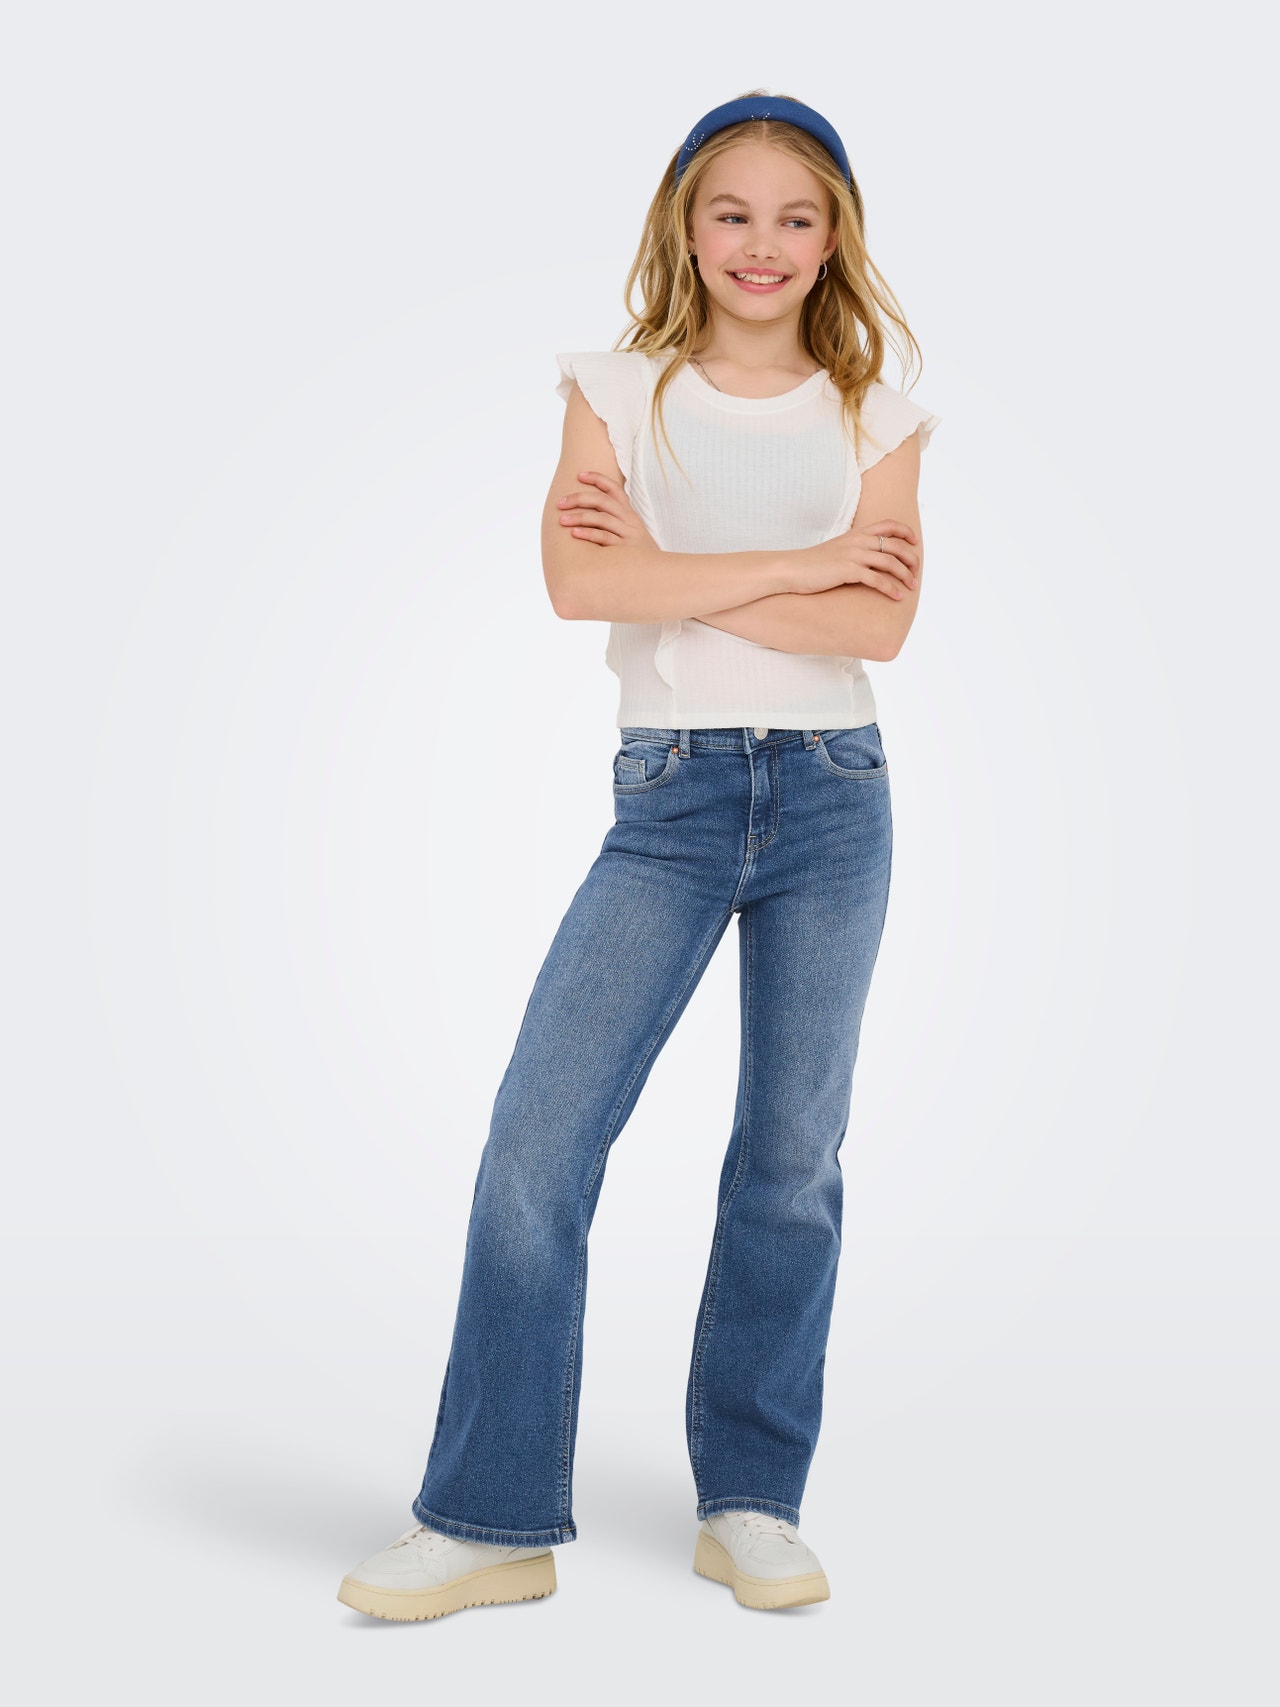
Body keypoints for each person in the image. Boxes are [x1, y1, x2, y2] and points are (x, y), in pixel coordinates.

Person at [338, 90, 941, 1622]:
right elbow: (574, 582)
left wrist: (670, 573)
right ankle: (490, 1521)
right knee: (537, 1145)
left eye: (796, 217)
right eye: (732, 212)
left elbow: (878, 623)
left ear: (835, 239)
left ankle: (751, 1502)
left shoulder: (878, 410)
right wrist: (803, 561)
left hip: (836, 797)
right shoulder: (614, 391)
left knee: (791, 1160)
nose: (762, 243)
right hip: (670, 801)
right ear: (686, 222)